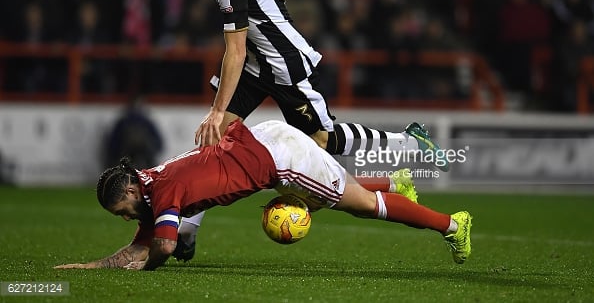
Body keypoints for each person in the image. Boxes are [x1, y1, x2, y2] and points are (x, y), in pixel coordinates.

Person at [172, 0, 451, 260]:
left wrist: (216, 109)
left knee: (324, 140)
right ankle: (188, 232)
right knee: (216, 141)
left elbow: (235, 51)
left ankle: (410, 141)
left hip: (284, 64)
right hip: (260, 64)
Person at [54, 120, 472, 271]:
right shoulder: (150, 183)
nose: (128, 218)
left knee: (362, 206)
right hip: (262, 142)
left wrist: (144, 269)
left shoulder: (162, 193)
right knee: (336, 193)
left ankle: (453, 225)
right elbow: (140, 244)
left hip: (279, 157)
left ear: (129, 189)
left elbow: (162, 246)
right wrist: (89, 266)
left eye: (122, 211)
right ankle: (396, 184)